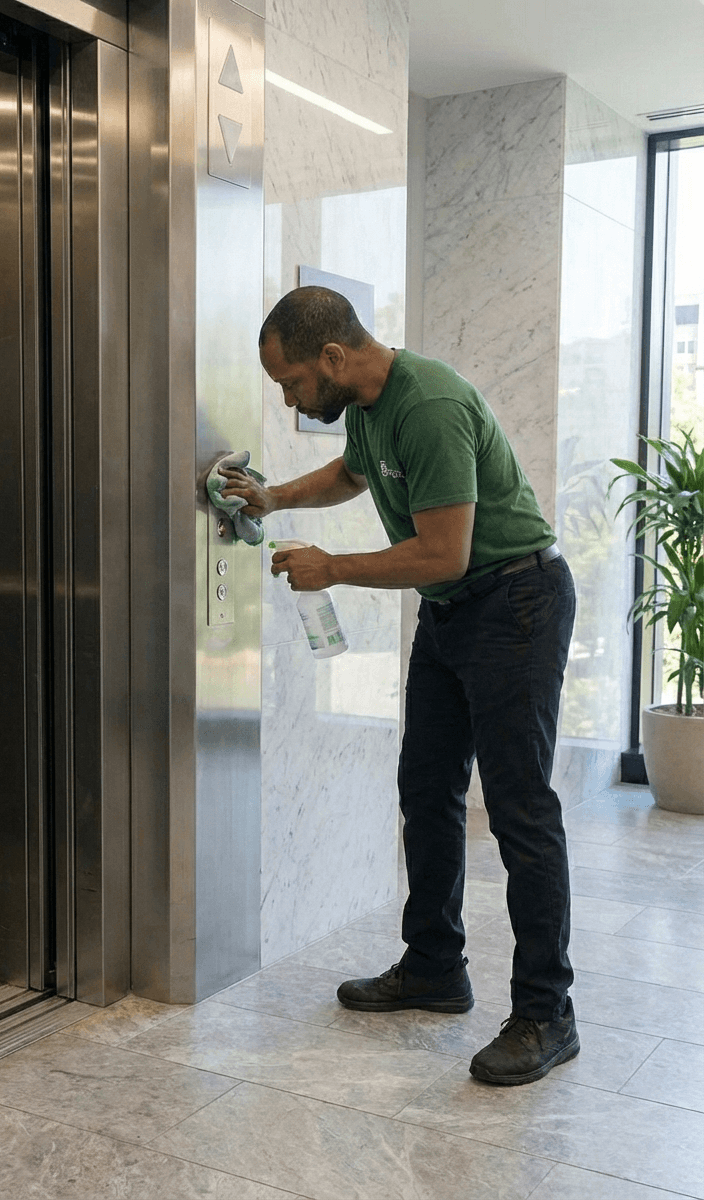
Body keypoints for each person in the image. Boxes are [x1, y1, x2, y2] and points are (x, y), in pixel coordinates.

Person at [221, 285, 580, 1086]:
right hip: (457, 612)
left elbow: (443, 552)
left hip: (514, 601)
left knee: (520, 810)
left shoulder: (429, 406)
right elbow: (352, 476)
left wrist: (333, 569)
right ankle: (434, 968)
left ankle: (547, 1013)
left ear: (334, 358)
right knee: (426, 790)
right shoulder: (368, 406)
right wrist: (275, 497)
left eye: (290, 382)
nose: (289, 397)